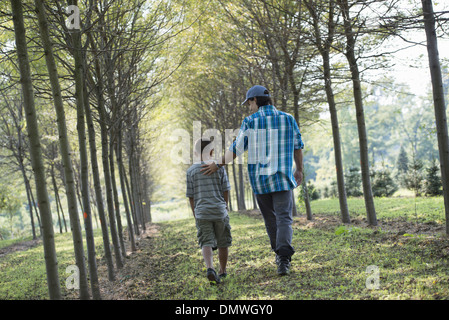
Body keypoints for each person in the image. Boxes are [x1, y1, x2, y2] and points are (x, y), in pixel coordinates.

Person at [201, 85, 304, 276]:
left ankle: (279, 254)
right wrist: (299, 169)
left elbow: (236, 149)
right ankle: (283, 258)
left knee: (271, 219)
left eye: (249, 103)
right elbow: (298, 146)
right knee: (284, 218)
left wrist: (218, 164)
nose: (248, 107)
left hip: (260, 181)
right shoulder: (288, 119)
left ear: (255, 100)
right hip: (283, 178)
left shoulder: (250, 122)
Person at [186, 138, 232, 284]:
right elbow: (226, 190)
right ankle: (223, 271)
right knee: (222, 241)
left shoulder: (191, 171)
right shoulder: (219, 167)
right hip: (219, 210)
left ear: (195, 152)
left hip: (202, 212)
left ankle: (210, 268)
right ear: (212, 151)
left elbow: (191, 196)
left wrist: (195, 213)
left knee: (206, 241)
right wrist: (225, 206)